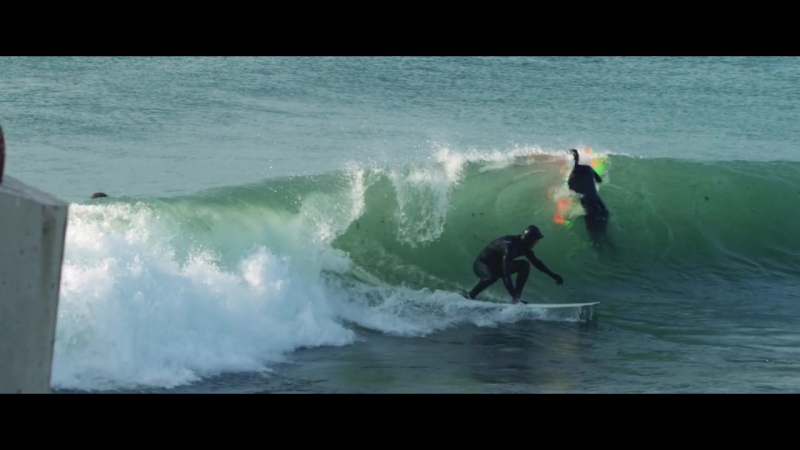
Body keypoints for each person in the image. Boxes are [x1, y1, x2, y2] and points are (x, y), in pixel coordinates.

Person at [462, 225, 564, 303]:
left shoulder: (525, 246)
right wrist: (512, 294)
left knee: (525, 265)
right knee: (491, 277)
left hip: (497, 267)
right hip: (482, 264)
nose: (537, 243)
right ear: (529, 239)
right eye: (536, 241)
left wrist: (553, 275)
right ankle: (470, 295)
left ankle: (517, 298)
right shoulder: (509, 247)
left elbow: (537, 263)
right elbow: (506, 275)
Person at [567, 148, 609, 247]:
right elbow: (599, 180)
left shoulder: (571, 179)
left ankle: (599, 251)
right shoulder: (588, 168)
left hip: (589, 208)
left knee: (594, 237)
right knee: (604, 232)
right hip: (599, 203)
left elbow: (573, 195)